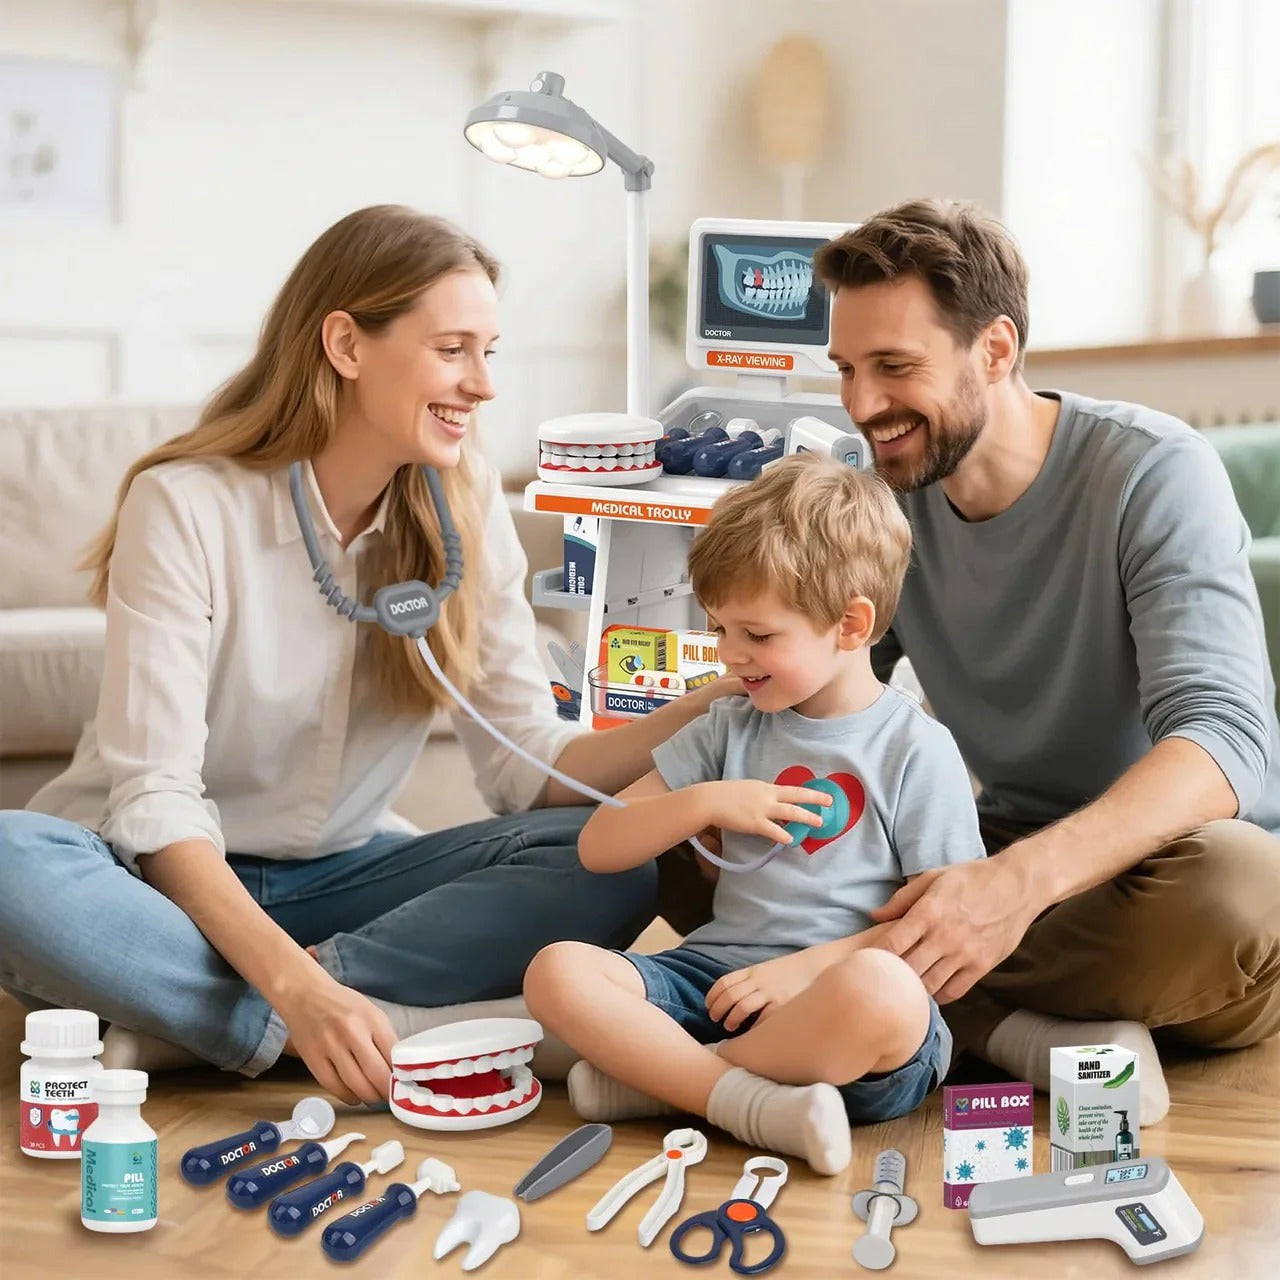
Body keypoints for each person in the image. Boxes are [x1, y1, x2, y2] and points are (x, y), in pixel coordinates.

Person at [0, 205, 739, 1106]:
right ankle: (352, 1029)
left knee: (613, 857)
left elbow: (527, 768)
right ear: (346, 345)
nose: (483, 385)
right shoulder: (186, 504)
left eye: (489, 352)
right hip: (153, 882)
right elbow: (155, 803)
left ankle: (202, 1026)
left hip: (345, 884)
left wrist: (717, 697)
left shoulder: (463, 509)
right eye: (453, 349)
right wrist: (296, 991)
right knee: (9, 860)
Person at [805, 198, 1280, 1120]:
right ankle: (1023, 1034)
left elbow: (1228, 744)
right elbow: (818, 691)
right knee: (710, 841)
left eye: (895, 367)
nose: (863, 406)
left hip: (1157, 874)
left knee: (1243, 894)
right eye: (848, 371)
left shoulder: (1152, 472)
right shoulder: (886, 500)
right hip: (993, 852)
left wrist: (1011, 891)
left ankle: (873, 989)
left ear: (995, 351)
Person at [524, 454, 987, 1175]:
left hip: (838, 1013)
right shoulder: (727, 728)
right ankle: (737, 1098)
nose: (731, 656)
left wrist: (803, 974)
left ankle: (671, 1079)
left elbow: (940, 933)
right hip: (713, 980)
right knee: (556, 972)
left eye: (758, 635)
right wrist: (709, 800)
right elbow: (600, 845)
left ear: (851, 624)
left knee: (886, 996)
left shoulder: (915, 750)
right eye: (719, 630)